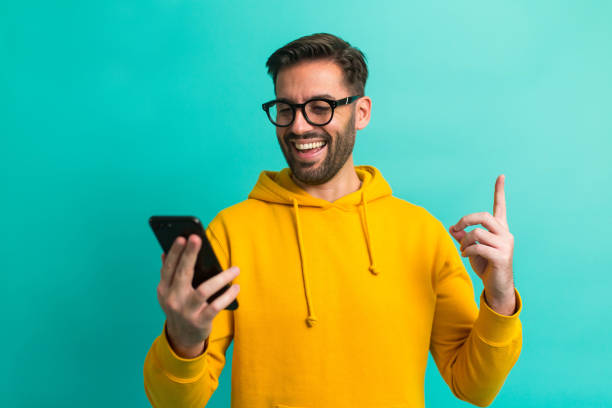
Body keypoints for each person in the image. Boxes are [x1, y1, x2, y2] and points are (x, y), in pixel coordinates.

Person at [143, 33, 522, 408]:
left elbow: (475, 386)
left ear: (361, 113)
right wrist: (184, 338)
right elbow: (174, 403)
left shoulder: (421, 233)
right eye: (286, 108)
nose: (299, 127)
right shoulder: (231, 231)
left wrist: (500, 296)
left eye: (320, 107)